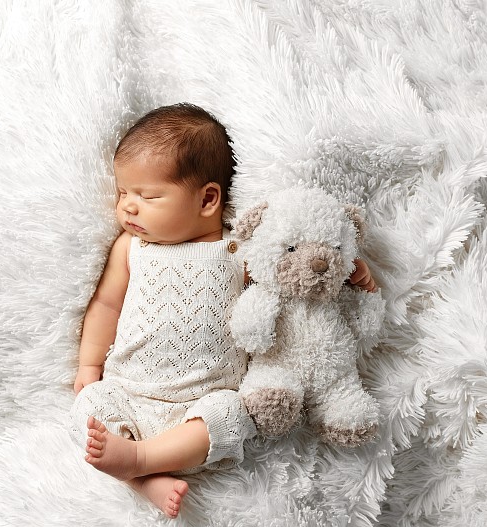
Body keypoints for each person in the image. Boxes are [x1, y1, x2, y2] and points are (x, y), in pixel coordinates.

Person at [70, 103, 377, 519]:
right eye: (124, 193)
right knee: (87, 409)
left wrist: (347, 269)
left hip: (204, 400)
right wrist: (89, 366)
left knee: (233, 414)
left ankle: (141, 461)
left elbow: (291, 270)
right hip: (129, 390)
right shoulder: (132, 248)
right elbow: (106, 304)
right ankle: (142, 475)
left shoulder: (237, 251)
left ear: (208, 199)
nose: (128, 207)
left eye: (148, 196)